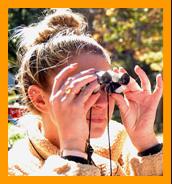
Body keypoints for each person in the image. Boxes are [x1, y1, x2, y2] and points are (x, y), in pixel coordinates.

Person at [8, 9, 163, 176]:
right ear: (39, 99)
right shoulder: (14, 169)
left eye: (108, 86)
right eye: (83, 88)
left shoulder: (120, 142)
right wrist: (73, 155)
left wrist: (146, 144)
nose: (103, 103)